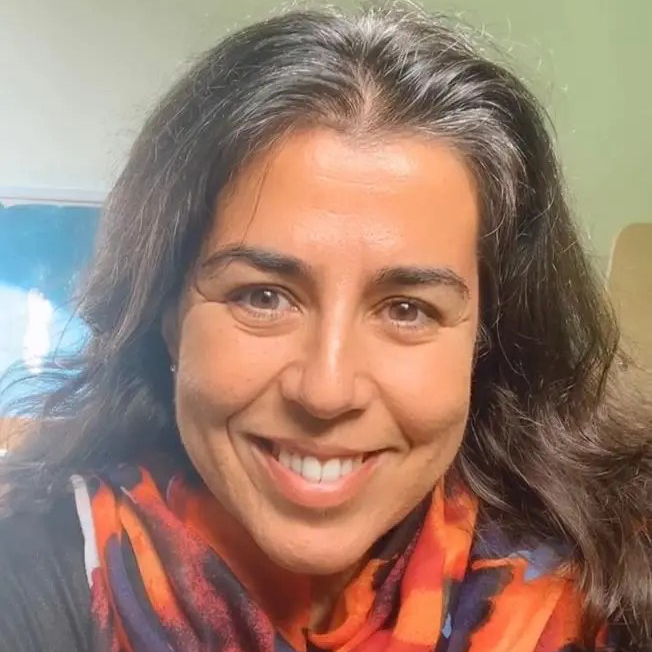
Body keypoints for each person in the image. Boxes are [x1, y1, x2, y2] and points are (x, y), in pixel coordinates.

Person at [0, 4, 650, 651]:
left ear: (485, 340)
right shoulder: (37, 572)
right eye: (263, 297)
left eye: (407, 309)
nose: (326, 390)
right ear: (167, 318)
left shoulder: (613, 584)